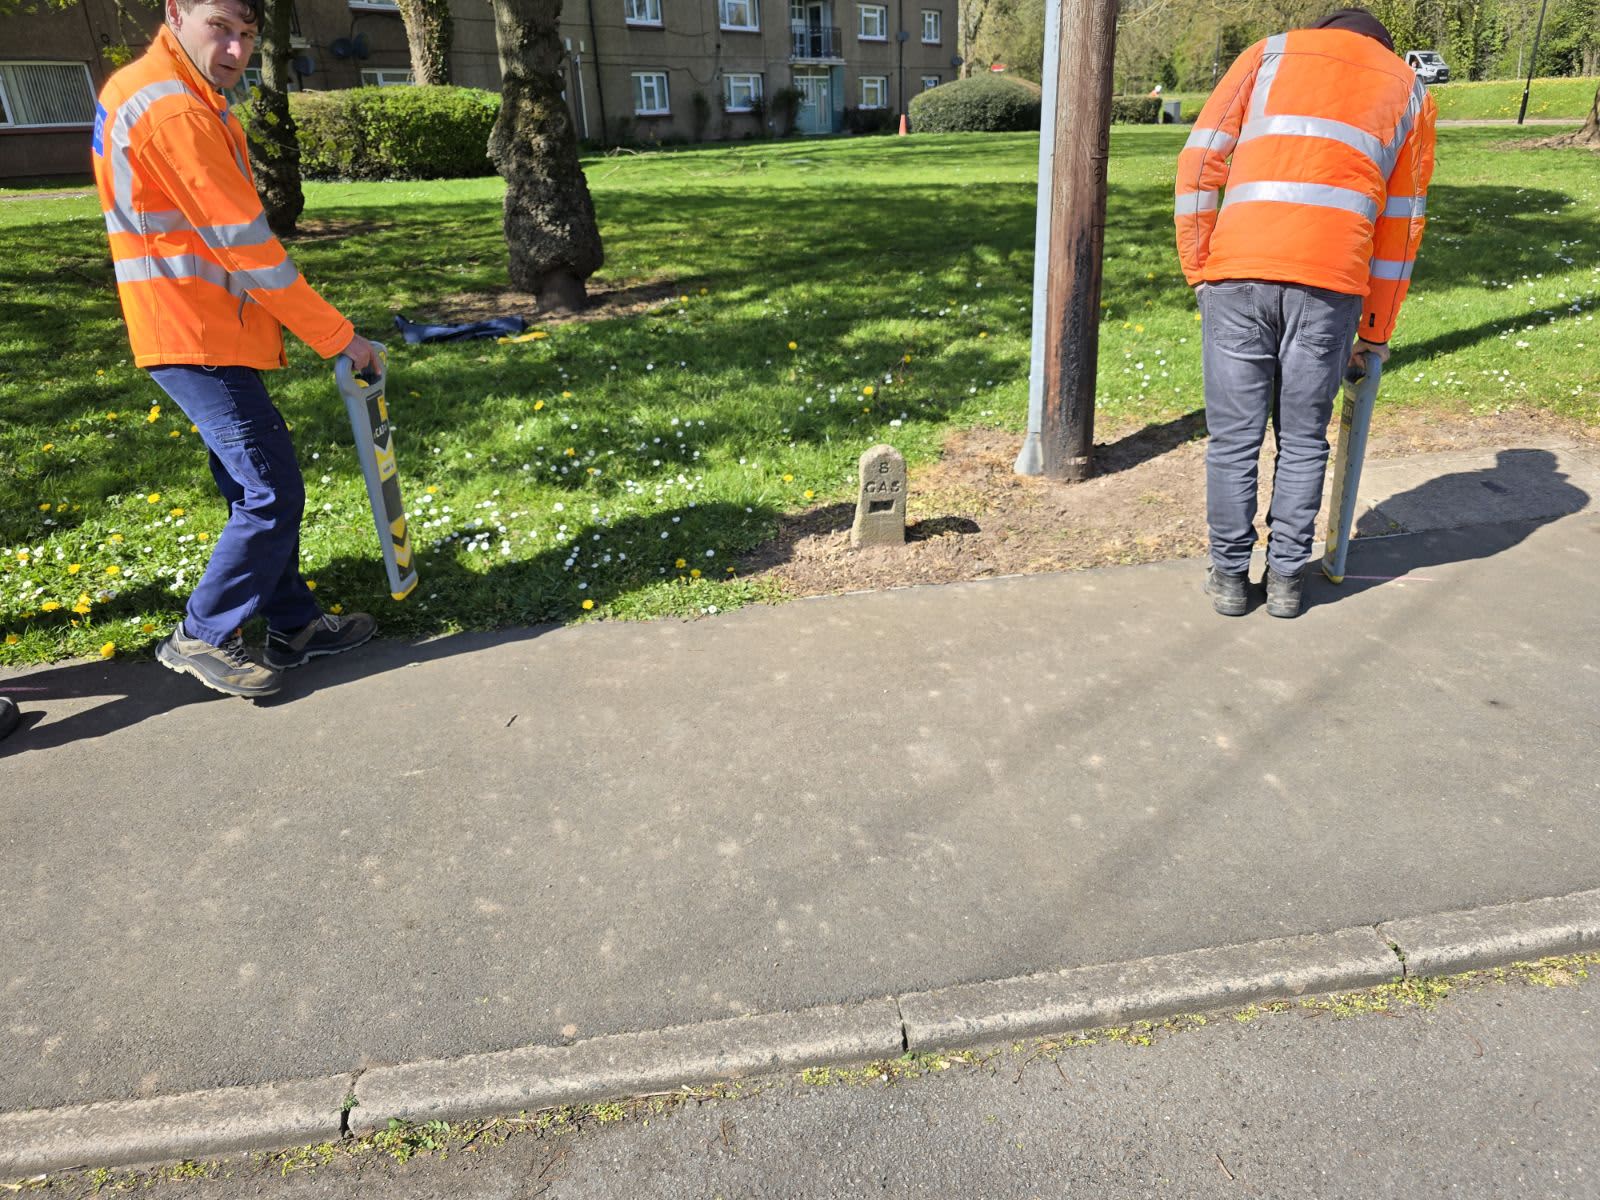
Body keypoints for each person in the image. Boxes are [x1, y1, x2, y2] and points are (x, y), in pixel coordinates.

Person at [92, 0, 378, 696]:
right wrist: (340, 339)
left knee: (251, 486)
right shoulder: (175, 108)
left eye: (248, 35)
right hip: (192, 331)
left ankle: (295, 624)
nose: (236, 50)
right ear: (177, 12)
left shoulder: (175, 91)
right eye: (220, 27)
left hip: (200, 326)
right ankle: (203, 634)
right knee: (270, 490)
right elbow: (248, 248)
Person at [1174, 7, 1435, 618]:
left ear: (1322, 32)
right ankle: (1289, 582)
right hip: (1331, 284)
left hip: (1237, 273)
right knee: (1302, 440)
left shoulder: (1269, 53)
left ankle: (1231, 581)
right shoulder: (1408, 89)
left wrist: (1199, 265)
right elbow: (1402, 224)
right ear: (1383, 47)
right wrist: (1375, 329)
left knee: (1234, 442)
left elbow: (1200, 159)